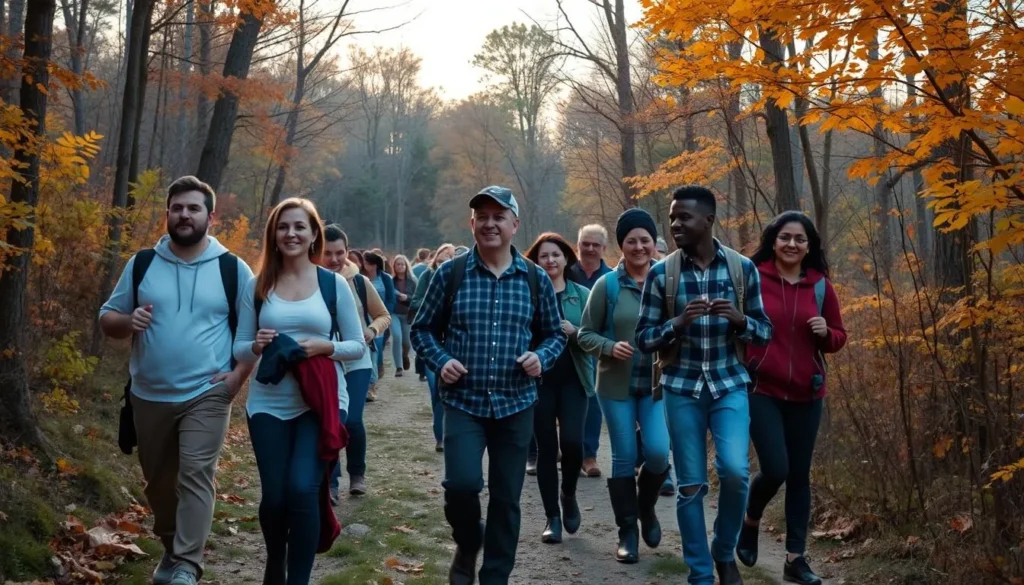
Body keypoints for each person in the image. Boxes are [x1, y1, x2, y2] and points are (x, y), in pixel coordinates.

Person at [99, 176, 255, 585]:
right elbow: (106, 319)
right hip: (148, 393)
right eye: (177, 208)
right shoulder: (143, 263)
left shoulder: (232, 269)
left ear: (211, 216)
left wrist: (236, 378)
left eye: (193, 208)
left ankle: (187, 563)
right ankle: (171, 548)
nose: (184, 215)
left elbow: (250, 336)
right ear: (167, 213)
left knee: (196, 474)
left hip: (207, 392)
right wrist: (127, 321)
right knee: (159, 484)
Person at [411, 186, 567, 585]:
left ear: (515, 224)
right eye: (482, 216)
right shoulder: (451, 274)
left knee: (506, 498)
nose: (490, 223)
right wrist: (441, 360)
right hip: (464, 401)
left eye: (499, 216)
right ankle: (467, 543)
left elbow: (554, 335)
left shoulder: (534, 280)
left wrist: (541, 358)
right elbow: (422, 329)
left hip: (516, 404)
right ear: (472, 224)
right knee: (461, 485)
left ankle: (495, 576)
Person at [635, 186, 773, 585]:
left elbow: (765, 333)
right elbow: (643, 338)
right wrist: (675, 325)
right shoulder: (663, 274)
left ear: (709, 221)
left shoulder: (741, 269)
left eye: (685, 218)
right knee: (691, 485)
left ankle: (723, 551)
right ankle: (699, 573)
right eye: (673, 217)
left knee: (735, 472)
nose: (676, 224)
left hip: (729, 384)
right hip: (681, 388)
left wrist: (740, 320)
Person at [233, 198, 366, 585]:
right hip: (268, 402)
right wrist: (256, 345)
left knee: (302, 488)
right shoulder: (256, 285)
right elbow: (239, 347)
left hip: (322, 402)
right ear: (273, 235)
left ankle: (299, 579)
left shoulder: (332, 283)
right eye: (283, 227)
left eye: (299, 227)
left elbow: (357, 345)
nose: (291, 234)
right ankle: (276, 559)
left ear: (313, 236)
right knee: (275, 497)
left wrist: (326, 347)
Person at [735, 212, 846, 585]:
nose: (792, 245)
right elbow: (735, 324)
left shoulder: (820, 286)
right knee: (777, 468)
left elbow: (839, 338)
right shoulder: (752, 277)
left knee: (799, 476)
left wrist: (826, 331)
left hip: (807, 391)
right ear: (773, 239)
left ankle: (795, 559)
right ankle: (750, 521)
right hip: (760, 388)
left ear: (809, 246)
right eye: (785, 237)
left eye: (800, 239)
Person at [578, 208, 670, 565]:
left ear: (653, 243)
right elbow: (585, 333)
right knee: (623, 456)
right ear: (621, 245)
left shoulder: (665, 280)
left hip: (656, 384)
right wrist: (608, 346)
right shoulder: (608, 285)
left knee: (660, 452)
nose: (639, 247)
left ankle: (645, 508)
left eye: (645, 240)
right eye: (631, 240)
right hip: (615, 384)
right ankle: (627, 533)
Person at [524, 233, 595, 544]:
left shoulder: (582, 294)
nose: (550, 260)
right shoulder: (528, 293)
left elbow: (596, 340)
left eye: (555, 255)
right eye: (543, 256)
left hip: (574, 380)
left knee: (572, 443)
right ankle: (552, 516)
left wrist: (575, 332)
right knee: (546, 450)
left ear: (567, 259)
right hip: (539, 383)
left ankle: (568, 494)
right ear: (536, 262)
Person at [321, 225, 392, 500]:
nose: (335, 259)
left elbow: (383, 314)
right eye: (328, 253)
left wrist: (372, 330)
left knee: (351, 420)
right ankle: (331, 483)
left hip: (357, 359)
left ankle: (357, 472)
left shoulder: (359, 281)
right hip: (325, 360)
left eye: (340, 253)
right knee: (330, 421)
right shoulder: (309, 280)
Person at [565, 224, 613, 478]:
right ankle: (563, 449)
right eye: (586, 243)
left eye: (596, 244)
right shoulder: (566, 272)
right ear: (578, 245)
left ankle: (589, 455)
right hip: (562, 349)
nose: (590, 249)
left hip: (594, 350)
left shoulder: (610, 277)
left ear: (604, 248)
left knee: (592, 401)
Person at [409, 243, 456, 452]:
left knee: (450, 392)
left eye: (450, 258)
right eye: (441, 259)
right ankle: (441, 437)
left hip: (454, 346)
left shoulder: (462, 278)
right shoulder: (428, 277)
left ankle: (453, 434)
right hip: (433, 343)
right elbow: (416, 301)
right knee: (437, 391)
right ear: (435, 260)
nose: (445, 262)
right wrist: (433, 303)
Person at [362, 251, 397, 381]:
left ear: (374, 265)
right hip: (364, 317)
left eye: (367, 263)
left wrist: (385, 314)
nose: (364, 265)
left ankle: (378, 367)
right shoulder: (360, 278)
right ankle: (371, 382)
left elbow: (391, 298)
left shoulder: (385, 278)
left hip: (379, 318)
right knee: (369, 349)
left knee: (377, 347)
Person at [389, 254, 418, 377]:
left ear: (406, 266)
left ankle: (404, 355)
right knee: (396, 337)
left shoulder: (413, 281)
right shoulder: (390, 281)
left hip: (407, 314)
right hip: (394, 313)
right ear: (394, 266)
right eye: (398, 264)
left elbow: (417, 299)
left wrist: (407, 298)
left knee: (406, 342)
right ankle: (398, 367)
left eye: (402, 264)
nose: (400, 266)